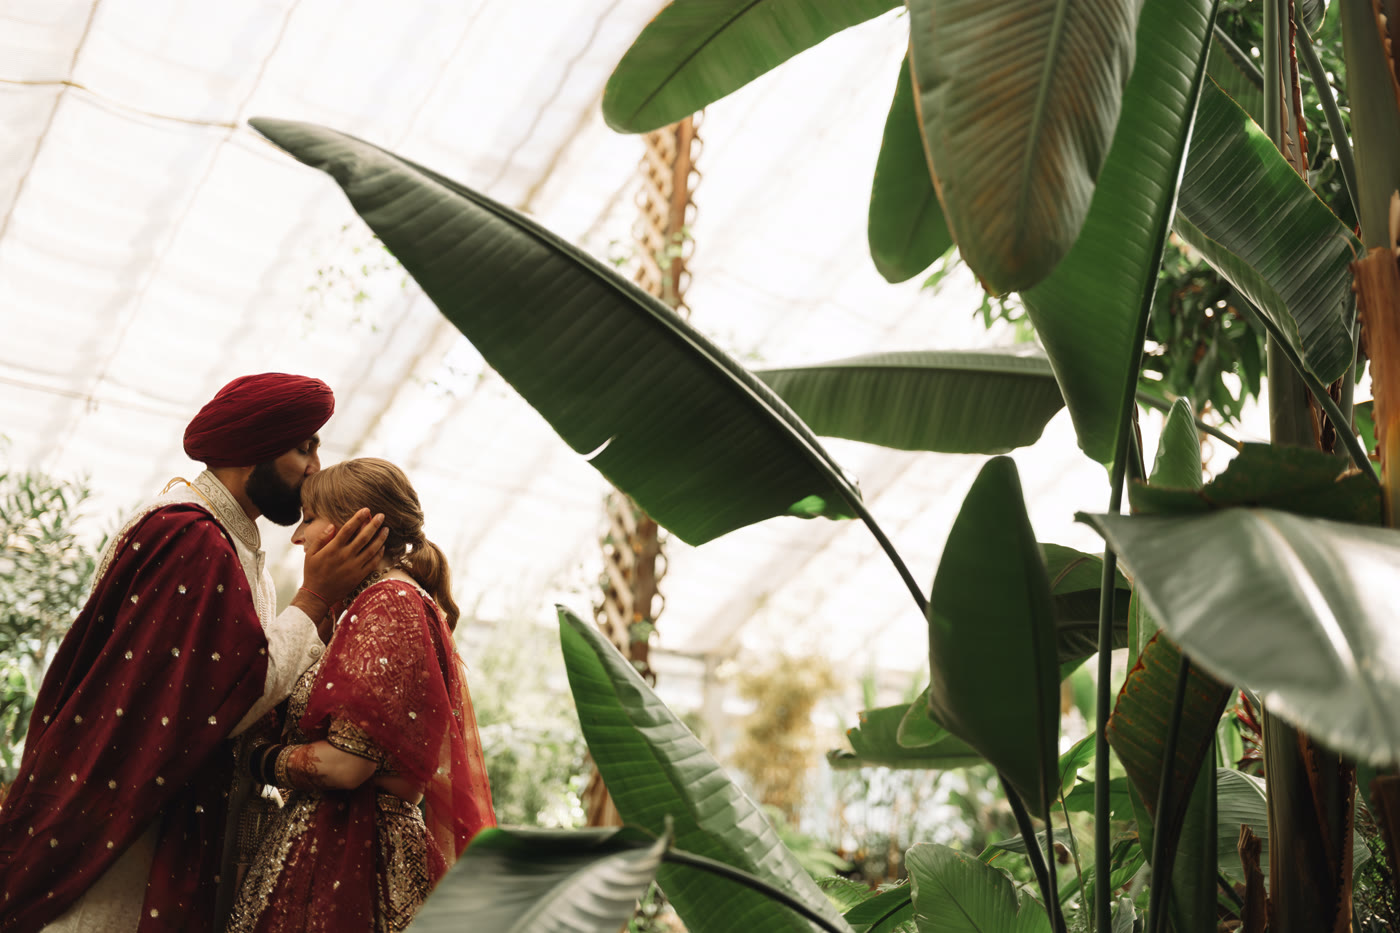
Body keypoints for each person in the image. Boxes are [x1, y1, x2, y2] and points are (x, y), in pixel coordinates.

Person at [0, 374, 389, 933]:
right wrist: (315, 596)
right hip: (121, 844)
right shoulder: (191, 539)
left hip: (148, 822)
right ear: (251, 448)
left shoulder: (227, 543)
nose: (314, 467)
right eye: (304, 447)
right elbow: (229, 696)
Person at [226, 458, 495, 933]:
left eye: (309, 520)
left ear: (358, 529)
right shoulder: (380, 602)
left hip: (349, 859)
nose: (297, 537)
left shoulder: (388, 603)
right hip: (343, 846)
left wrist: (254, 758)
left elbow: (347, 765)